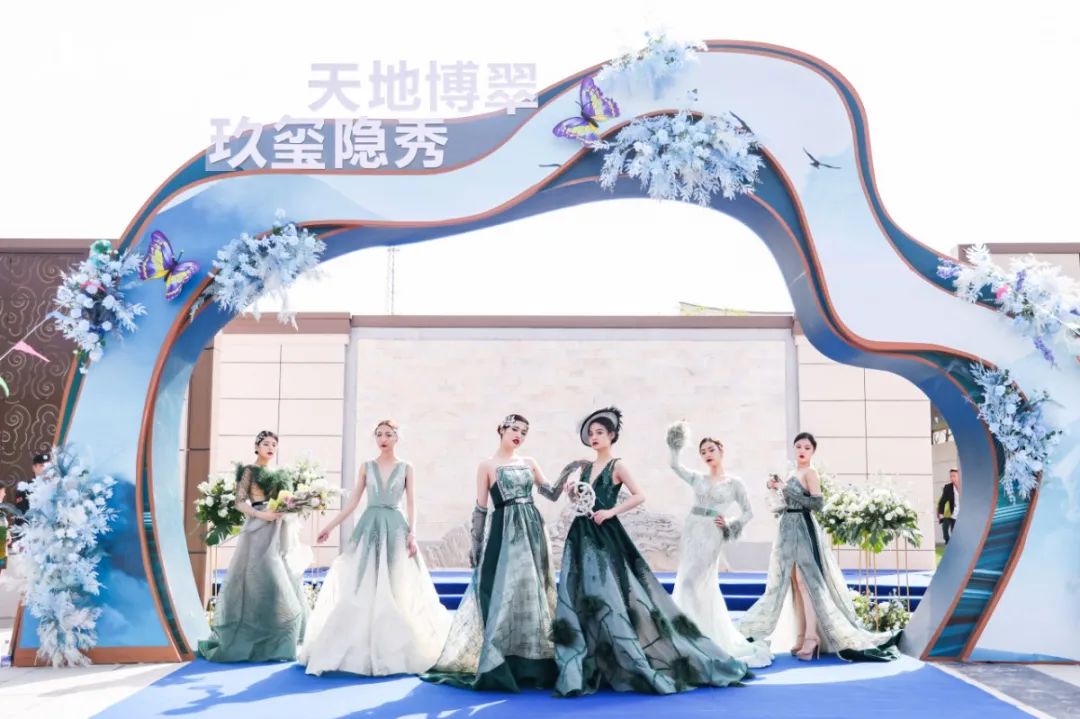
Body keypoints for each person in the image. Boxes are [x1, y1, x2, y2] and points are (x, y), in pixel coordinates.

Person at [553, 407, 750, 696]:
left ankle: (625, 657)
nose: (594, 437)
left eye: (600, 432)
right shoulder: (584, 468)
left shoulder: (618, 466)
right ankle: (590, 661)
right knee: (581, 593)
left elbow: (640, 496)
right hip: (581, 534)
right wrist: (571, 492)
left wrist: (611, 512)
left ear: (612, 436)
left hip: (605, 534)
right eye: (591, 434)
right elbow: (581, 500)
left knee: (609, 594)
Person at [424, 414, 584, 692]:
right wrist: (475, 545)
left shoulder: (529, 462)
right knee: (501, 591)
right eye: (515, 429)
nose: (519, 434)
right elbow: (480, 508)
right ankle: (501, 661)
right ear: (501, 429)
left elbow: (551, 493)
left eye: (524, 431)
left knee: (533, 591)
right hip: (503, 528)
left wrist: (569, 472)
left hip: (532, 530)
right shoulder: (487, 465)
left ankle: (536, 663)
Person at [299, 420, 451, 675]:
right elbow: (352, 503)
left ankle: (392, 644)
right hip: (369, 527)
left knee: (395, 584)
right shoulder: (366, 467)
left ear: (397, 438)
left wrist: (413, 533)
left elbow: (412, 503)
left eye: (388, 434)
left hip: (396, 528)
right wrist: (331, 526)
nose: (383, 438)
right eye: (379, 434)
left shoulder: (406, 467)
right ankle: (359, 641)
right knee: (363, 582)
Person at [738, 432, 898, 661]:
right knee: (794, 583)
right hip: (787, 529)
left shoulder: (811, 473)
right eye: (798, 446)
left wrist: (786, 488)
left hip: (804, 528)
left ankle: (812, 637)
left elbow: (817, 503)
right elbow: (785, 502)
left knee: (807, 583)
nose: (802, 451)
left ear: (813, 451)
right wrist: (775, 488)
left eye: (807, 447)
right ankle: (801, 634)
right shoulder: (792, 473)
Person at [198, 431, 310, 662]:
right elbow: (239, 502)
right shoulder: (249, 471)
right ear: (256, 446)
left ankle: (277, 643)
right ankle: (252, 639)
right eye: (266, 443)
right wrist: (262, 514)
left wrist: (287, 509)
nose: (270, 448)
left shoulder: (280, 474)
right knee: (258, 580)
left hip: (278, 529)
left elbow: (287, 501)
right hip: (258, 530)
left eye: (274, 445)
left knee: (280, 582)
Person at [667, 426, 772, 668]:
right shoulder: (697, 478)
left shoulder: (734, 483)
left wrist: (730, 524)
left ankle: (701, 635)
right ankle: (689, 634)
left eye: (711, 449)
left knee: (693, 581)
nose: (707, 454)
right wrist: (674, 444)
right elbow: (674, 466)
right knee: (686, 581)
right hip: (692, 531)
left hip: (712, 534)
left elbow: (748, 512)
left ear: (721, 451)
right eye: (703, 451)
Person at [937, 469, 960, 544]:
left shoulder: (965, 485)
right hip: (953, 513)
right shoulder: (948, 487)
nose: (952, 478)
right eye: (951, 476)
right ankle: (949, 542)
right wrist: (940, 513)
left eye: (954, 476)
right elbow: (942, 501)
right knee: (953, 531)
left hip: (964, 513)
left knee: (959, 533)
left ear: (959, 476)